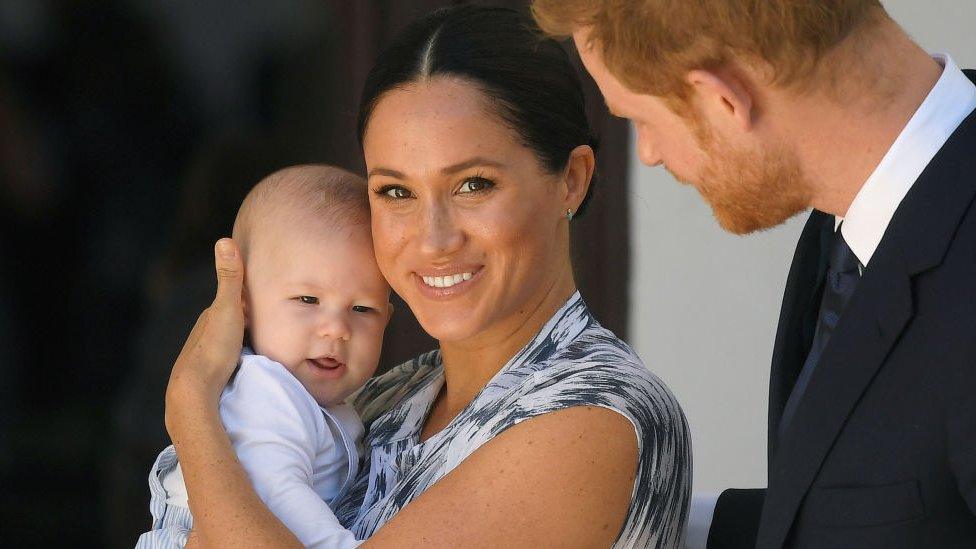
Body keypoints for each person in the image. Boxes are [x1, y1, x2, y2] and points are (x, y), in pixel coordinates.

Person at [161, 5, 691, 548]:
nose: (434, 241)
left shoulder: (591, 416)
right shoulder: (391, 396)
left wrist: (191, 405)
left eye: (474, 185)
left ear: (571, 181)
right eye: (396, 192)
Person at [531, 0, 976, 548]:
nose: (648, 154)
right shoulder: (858, 212)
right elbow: (890, 509)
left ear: (724, 100)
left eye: (639, 121)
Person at [137, 165, 392, 548]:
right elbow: (276, 494)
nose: (336, 328)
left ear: (387, 319)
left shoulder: (321, 400)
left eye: (363, 309)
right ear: (244, 303)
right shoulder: (266, 392)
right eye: (308, 300)